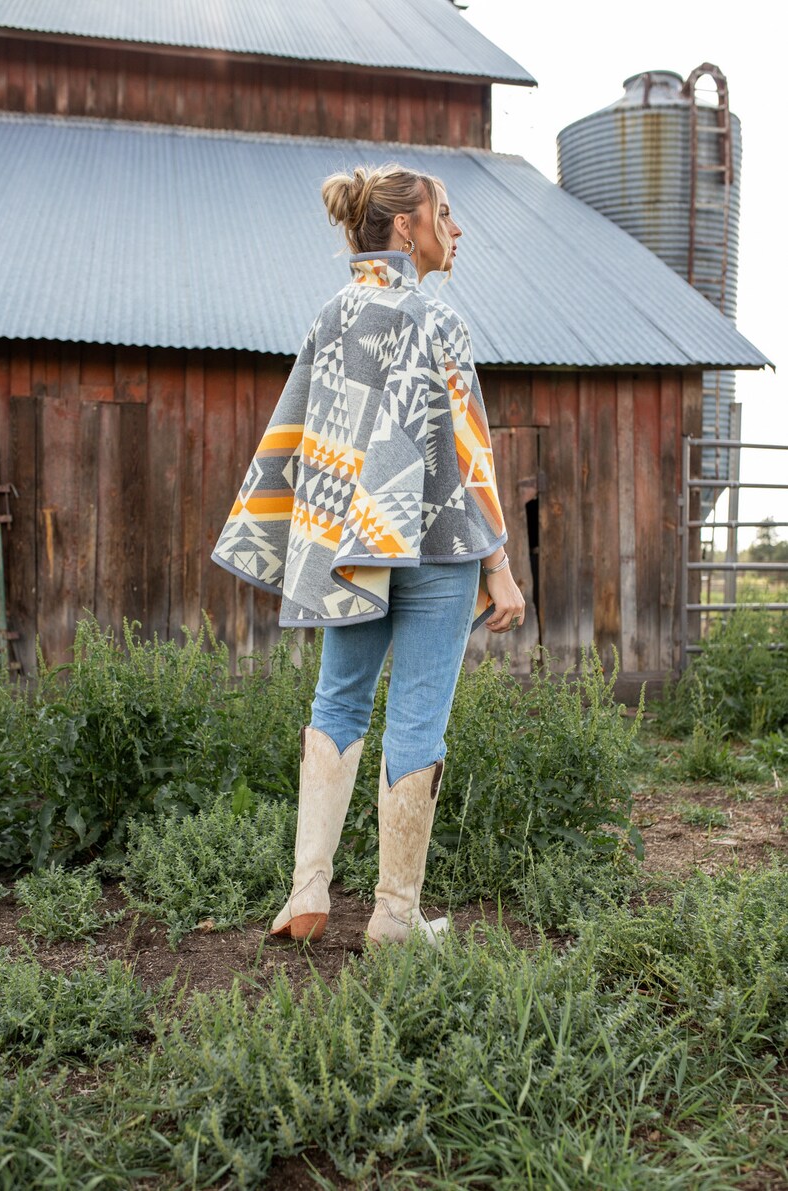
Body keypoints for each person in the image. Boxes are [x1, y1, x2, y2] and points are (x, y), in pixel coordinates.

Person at [212, 163, 525, 945]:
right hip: (437, 549)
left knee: (337, 700)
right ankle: (394, 915)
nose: (457, 230)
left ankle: (306, 893)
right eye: (445, 214)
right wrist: (499, 566)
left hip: (353, 547)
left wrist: (318, 539)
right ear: (407, 227)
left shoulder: (331, 317)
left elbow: (308, 437)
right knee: (418, 718)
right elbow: (470, 448)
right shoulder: (438, 320)